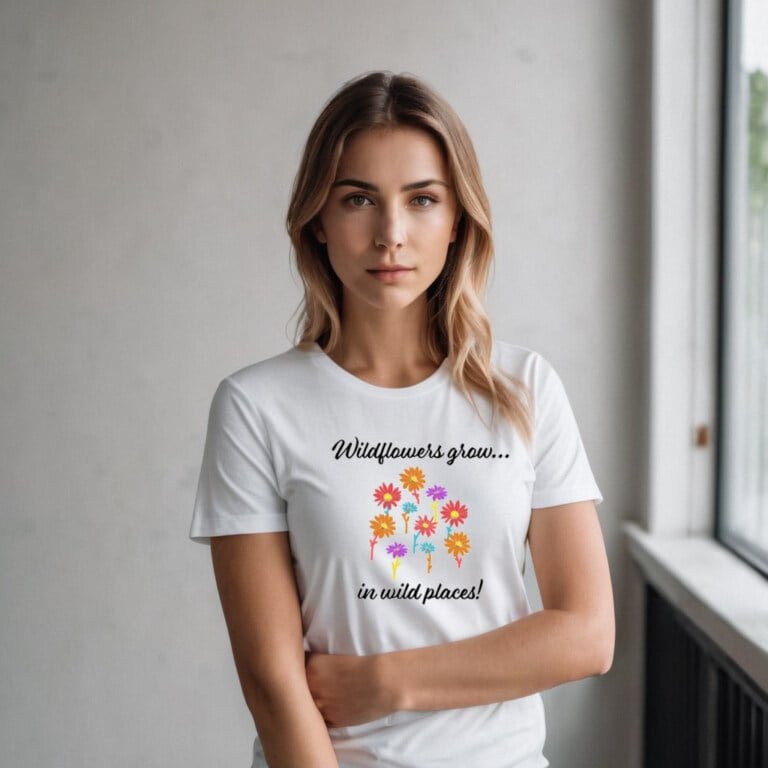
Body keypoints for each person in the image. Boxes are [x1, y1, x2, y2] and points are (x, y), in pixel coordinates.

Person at [189, 70, 614, 768]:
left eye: (422, 200)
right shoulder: (256, 407)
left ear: (456, 222)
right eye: (358, 199)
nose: (391, 233)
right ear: (318, 221)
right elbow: (273, 685)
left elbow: (587, 635)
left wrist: (387, 682)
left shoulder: (524, 388)